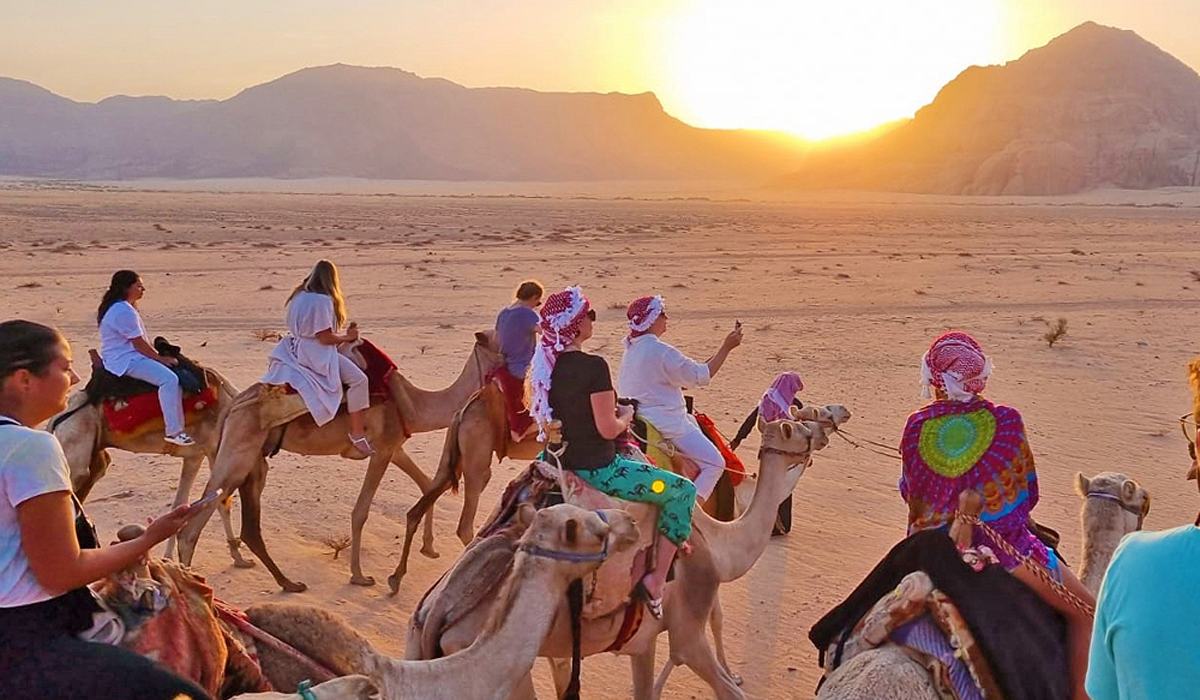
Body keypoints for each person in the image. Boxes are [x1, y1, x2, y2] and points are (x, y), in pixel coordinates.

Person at [0, 319, 209, 700]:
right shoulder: (30, 448)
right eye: (64, 368)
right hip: (25, 639)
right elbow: (60, 573)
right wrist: (149, 538)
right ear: (23, 380)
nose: (77, 377)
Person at [900, 331, 1094, 700]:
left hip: (929, 550)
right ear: (980, 375)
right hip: (1004, 551)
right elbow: (1027, 495)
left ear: (934, 377)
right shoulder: (1006, 421)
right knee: (1087, 613)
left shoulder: (915, 426)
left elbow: (910, 494)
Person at [529, 287, 696, 619]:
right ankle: (656, 580)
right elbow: (607, 430)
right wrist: (625, 418)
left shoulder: (547, 366)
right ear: (575, 327)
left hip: (556, 461)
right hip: (600, 469)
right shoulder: (594, 367)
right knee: (681, 490)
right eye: (588, 315)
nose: (593, 319)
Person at [617, 295, 742, 502]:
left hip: (641, 415)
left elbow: (693, 374)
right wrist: (727, 347)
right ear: (652, 319)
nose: (666, 319)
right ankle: (692, 511)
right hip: (666, 421)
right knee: (715, 463)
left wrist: (721, 349)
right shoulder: (661, 351)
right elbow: (702, 375)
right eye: (662, 314)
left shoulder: (633, 349)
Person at [262, 260, 373, 456]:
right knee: (359, 380)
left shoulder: (299, 296)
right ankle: (357, 433)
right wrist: (349, 337)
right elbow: (324, 337)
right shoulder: (322, 301)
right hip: (316, 354)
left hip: (297, 347)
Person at [97, 270, 194, 446]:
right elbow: (139, 344)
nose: (143, 289)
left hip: (126, 355)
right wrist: (160, 359)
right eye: (139, 286)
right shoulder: (123, 310)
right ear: (127, 287)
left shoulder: (121, 307)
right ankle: (174, 431)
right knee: (169, 380)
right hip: (126, 360)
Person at [729, 371, 804, 535]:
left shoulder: (768, 400)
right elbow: (802, 430)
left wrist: (737, 440)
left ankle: (765, 521)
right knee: (783, 486)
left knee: (768, 485)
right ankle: (781, 524)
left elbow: (750, 420)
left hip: (768, 452)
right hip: (788, 454)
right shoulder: (795, 404)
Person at [493, 280, 542, 442]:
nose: (536, 305)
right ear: (534, 297)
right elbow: (545, 332)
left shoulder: (503, 313)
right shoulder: (527, 314)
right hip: (523, 367)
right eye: (537, 302)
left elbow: (496, 338)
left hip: (505, 365)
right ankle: (527, 427)